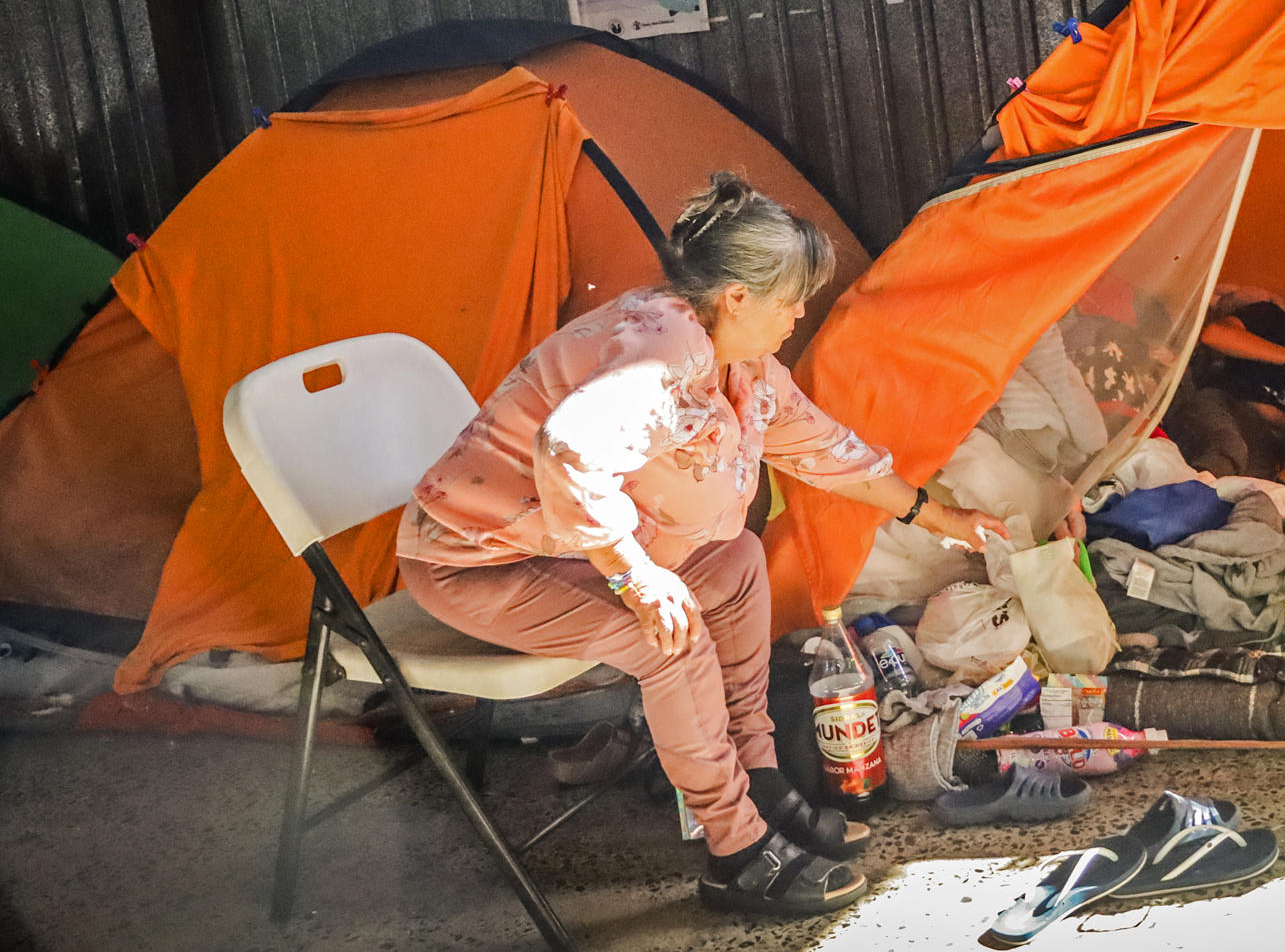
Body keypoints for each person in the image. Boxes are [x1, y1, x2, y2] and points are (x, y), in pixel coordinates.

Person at [397, 173, 1011, 916]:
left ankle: (757, 780)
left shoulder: (739, 363)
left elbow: (823, 448)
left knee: (739, 562)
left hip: (561, 545)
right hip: (477, 559)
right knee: (672, 632)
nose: (797, 314)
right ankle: (734, 850)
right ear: (737, 297)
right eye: (790, 298)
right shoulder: (661, 351)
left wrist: (934, 513)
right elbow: (568, 449)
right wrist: (637, 577)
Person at [1160, 272, 1285, 481]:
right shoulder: (1273, 319)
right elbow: (1215, 334)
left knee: (1253, 489)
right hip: (1225, 407)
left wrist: (1276, 418)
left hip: (1268, 443)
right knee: (1227, 451)